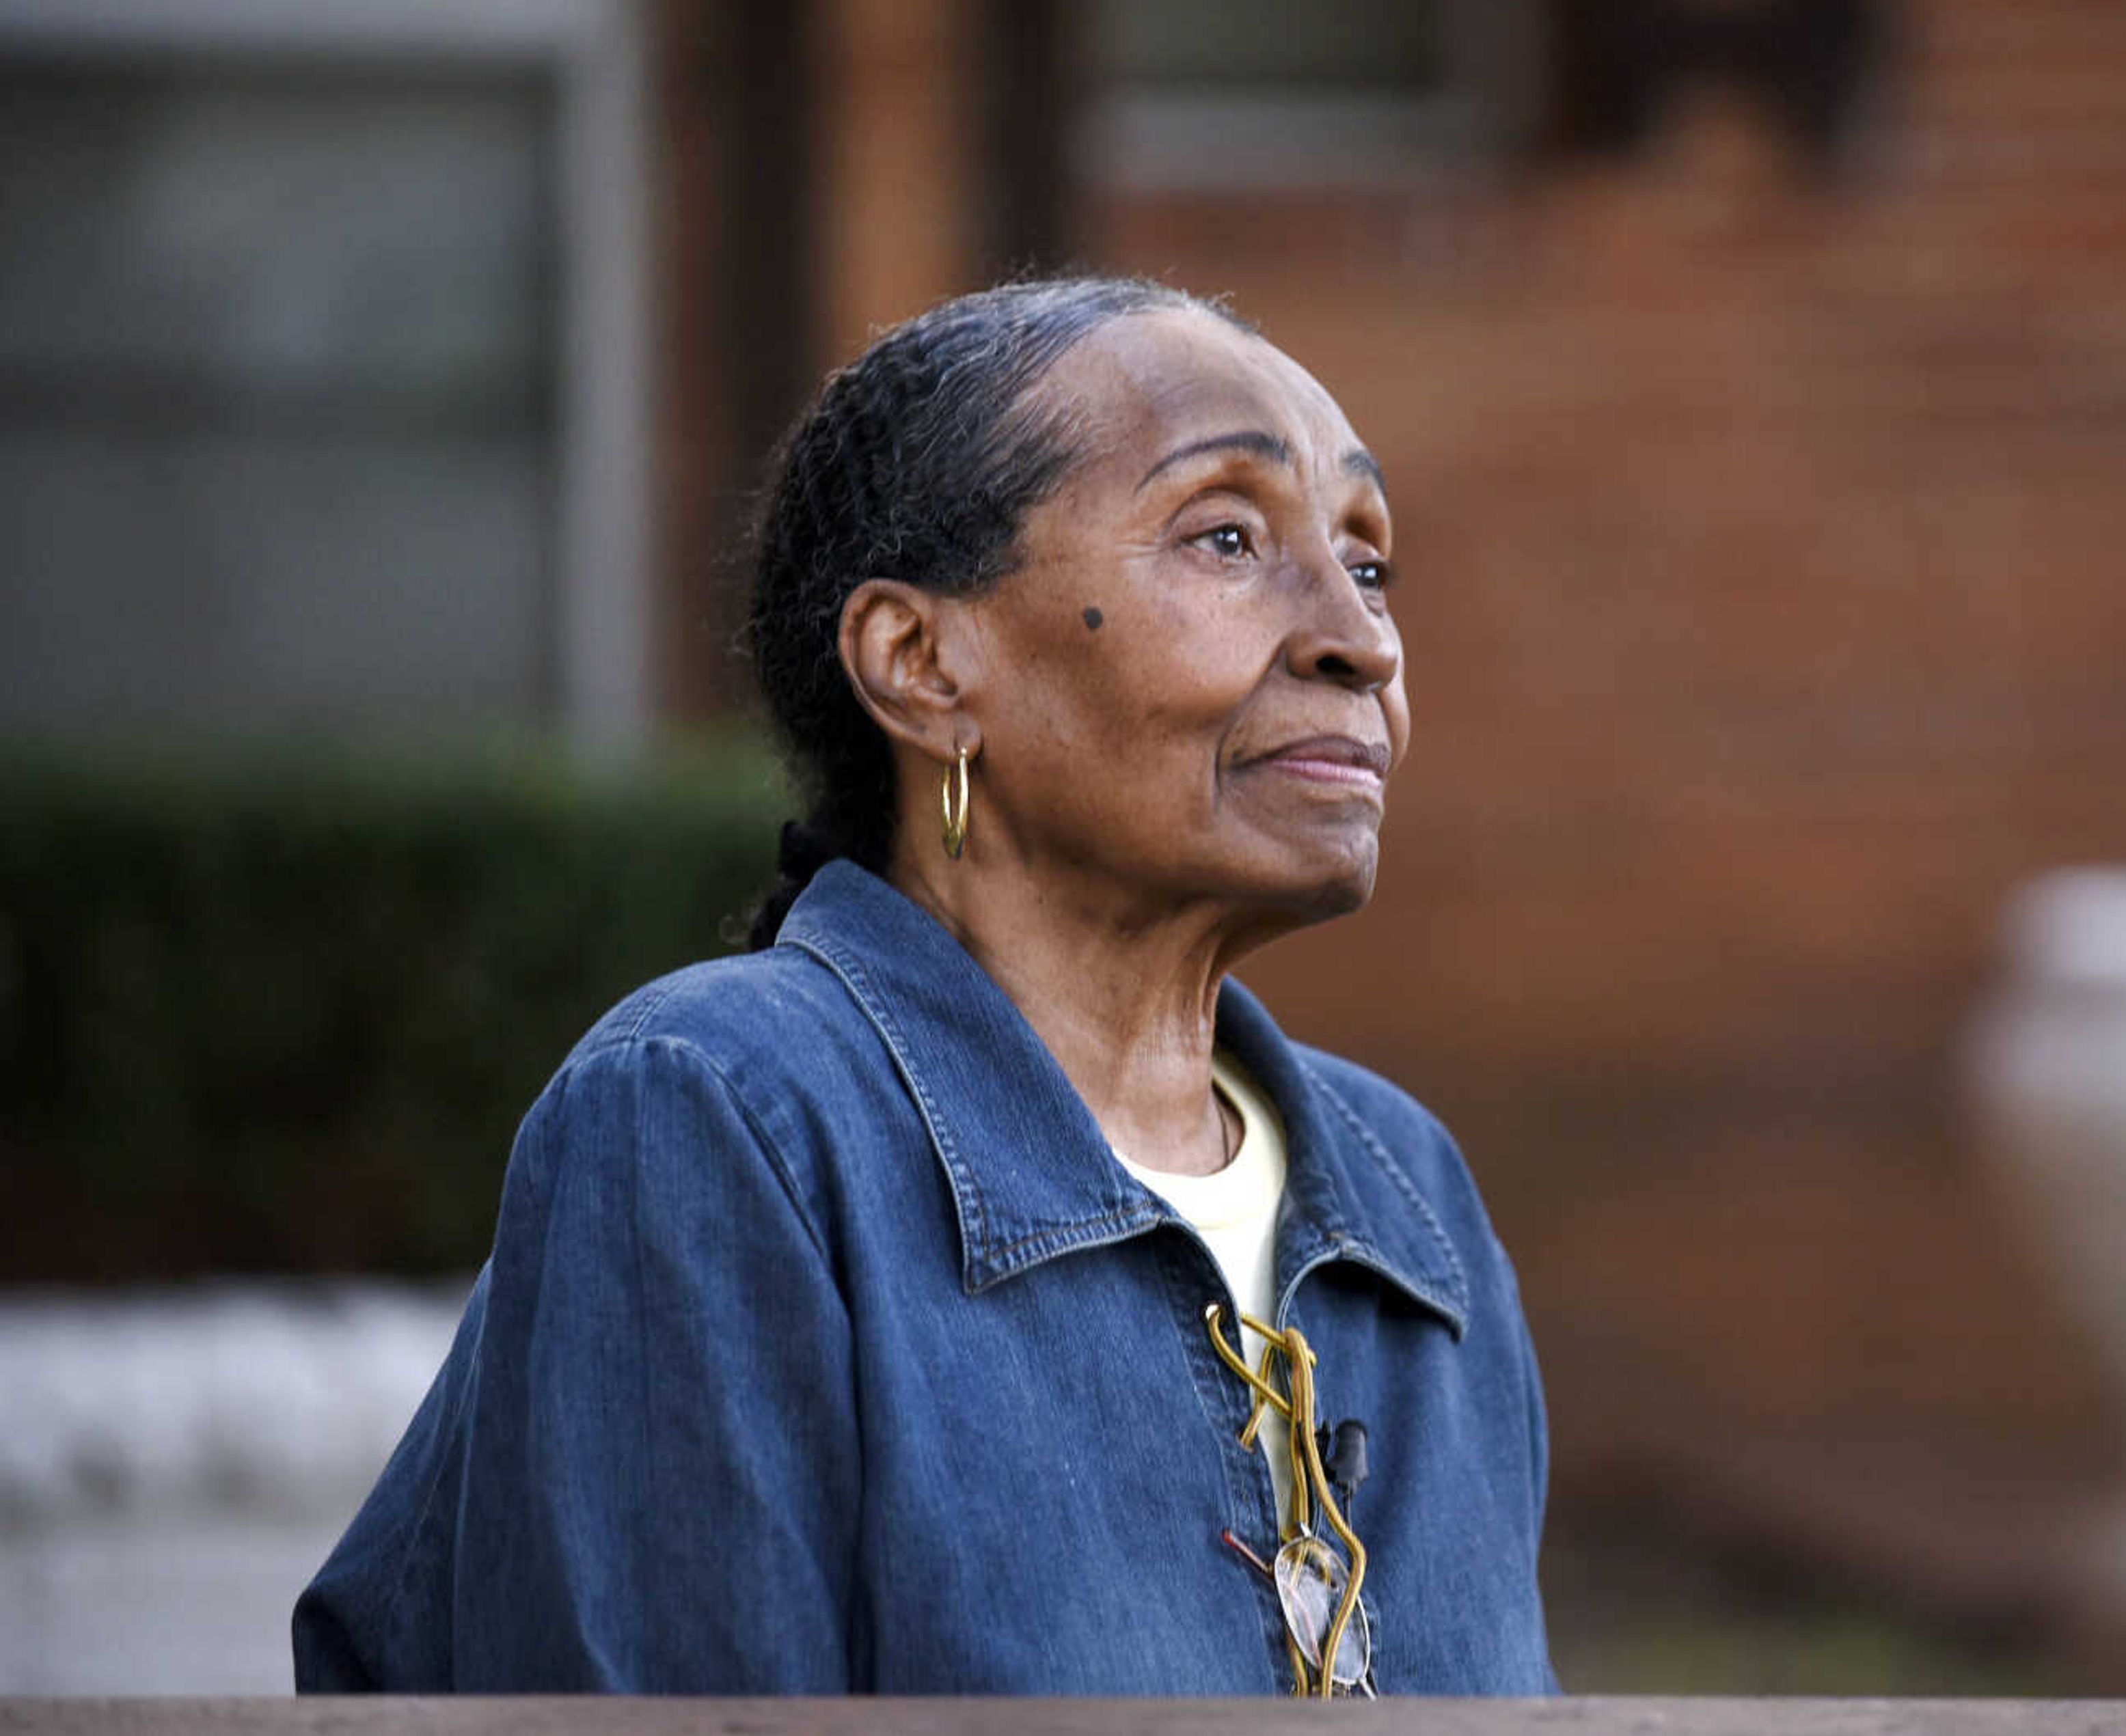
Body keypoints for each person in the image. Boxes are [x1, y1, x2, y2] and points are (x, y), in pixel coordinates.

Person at [291, 277, 1555, 1696]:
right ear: (923, 664)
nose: (1362, 643)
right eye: (1225, 537)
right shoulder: (723, 1122)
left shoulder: (1409, 1196)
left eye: (1369, 563)